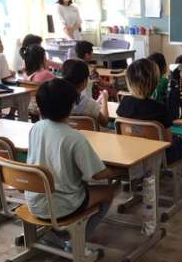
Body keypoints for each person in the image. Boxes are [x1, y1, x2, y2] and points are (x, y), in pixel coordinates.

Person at [25, 79, 120, 247]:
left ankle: (55, 234)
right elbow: (96, 175)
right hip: (62, 206)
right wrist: (118, 171)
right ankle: (76, 243)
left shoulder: (36, 128)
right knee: (108, 192)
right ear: (70, 106)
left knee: (78, 184)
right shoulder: (74, 137)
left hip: (33, 201)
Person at [117, 59, 182, 179]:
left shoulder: (124, 103)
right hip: (159, 157)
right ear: (155, 82)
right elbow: (168, 142)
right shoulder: (160, 109)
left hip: (132, 153)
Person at [62, 59, 109, 128]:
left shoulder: (56, 99)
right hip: (88, 134)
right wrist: (104, 100)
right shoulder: (88, 103)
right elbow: (105, 122)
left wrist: (98, 101)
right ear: (85, 81)